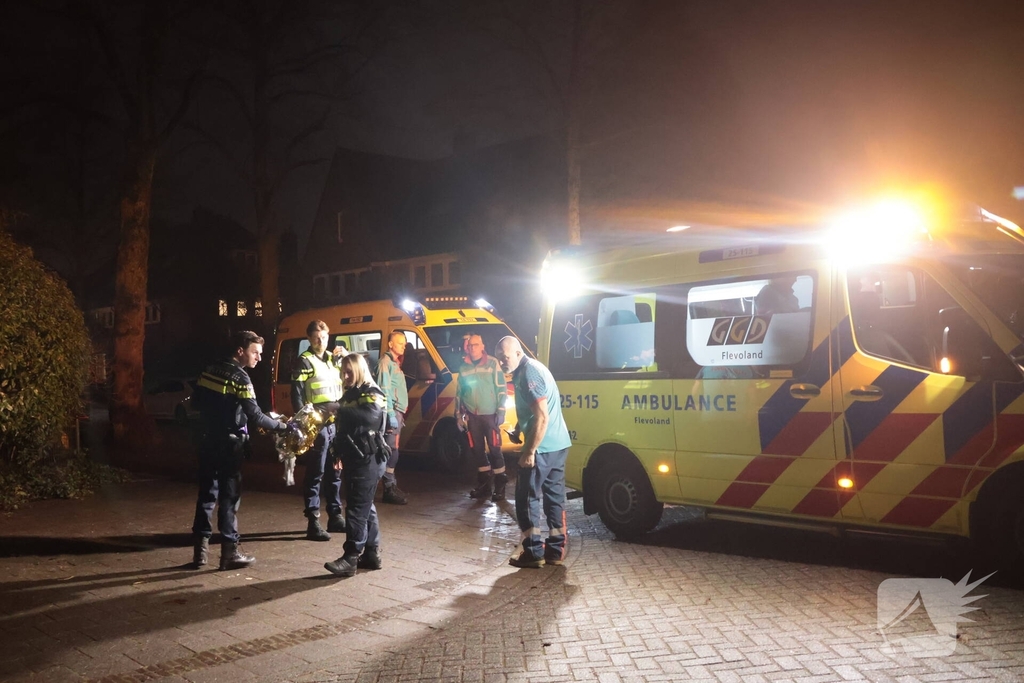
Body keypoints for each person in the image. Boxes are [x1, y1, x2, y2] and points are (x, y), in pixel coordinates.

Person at [190, 330, 288, 570]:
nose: (259, 358)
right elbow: (255, 415)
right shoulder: (240, 377)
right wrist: (282, 426)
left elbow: (196, 403)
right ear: (240, 351)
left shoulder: (208, 369)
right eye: (255, 352)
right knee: (229, 498)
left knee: (206, 495)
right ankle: (229, 553)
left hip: (207, 440)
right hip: (229, 444)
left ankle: (199, 554)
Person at [494, 336, 572, 568]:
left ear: (518, 353)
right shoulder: (532, 368)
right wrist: (520, 427)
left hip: (542, 448)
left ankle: (533, 552)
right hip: (558, 444)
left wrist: (529, 451)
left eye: (505, 357)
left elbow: (542, 416)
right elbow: (538, 409)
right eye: (499, 359)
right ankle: (556, 552)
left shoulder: (528, 374)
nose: (501, 363)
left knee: (526, 499)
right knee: (554, 498)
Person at [324, 353, 389, 577]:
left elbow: (370, 417)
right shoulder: (351, 394)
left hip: (368, 458)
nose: (345, 375)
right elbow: (346, 426)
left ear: (360, 370)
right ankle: (371, 554)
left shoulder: (372, 392)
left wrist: (339, 409)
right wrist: (337, 450)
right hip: (356, 456)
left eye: (349, 371)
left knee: (355, 509)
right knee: (365, 506)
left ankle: (351, 557)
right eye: (343, 371)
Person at [292, 320, 346, 541]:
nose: (320, 341)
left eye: (323, 337)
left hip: (335, 424)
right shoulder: (304, 362)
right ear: (309, 338)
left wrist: (346, 357)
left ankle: (335, 515)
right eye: (315, 337)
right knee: (316, 473)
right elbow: (297, 396)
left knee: (335, 470)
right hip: (317, 425)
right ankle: (313, 521)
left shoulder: (334, 360)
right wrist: (303, 428)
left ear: (328, 336)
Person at [456, 334, 508, 501]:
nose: (473, 348)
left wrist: (501, 411)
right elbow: (459, 393)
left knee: (495, 449)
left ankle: (500, 485)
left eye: (476, 345)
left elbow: (501, 388)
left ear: (482, 346)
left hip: (490, 415)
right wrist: (458, 414)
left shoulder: (492, 364)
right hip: (473, 417)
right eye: (470, 345)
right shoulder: (464, 368)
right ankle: (484, 485)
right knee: (477, 450)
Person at [374, 330, 410, 505]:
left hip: (397, 411)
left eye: (404, 343)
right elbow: (384, 390)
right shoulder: (385, 363)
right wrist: (389, 413)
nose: (404, 345)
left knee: (393, 450)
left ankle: (391, 485)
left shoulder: (394, 363)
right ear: (390, 344)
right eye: (400, 342)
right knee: (391, 451)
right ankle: (388, 488)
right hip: (392, 411)